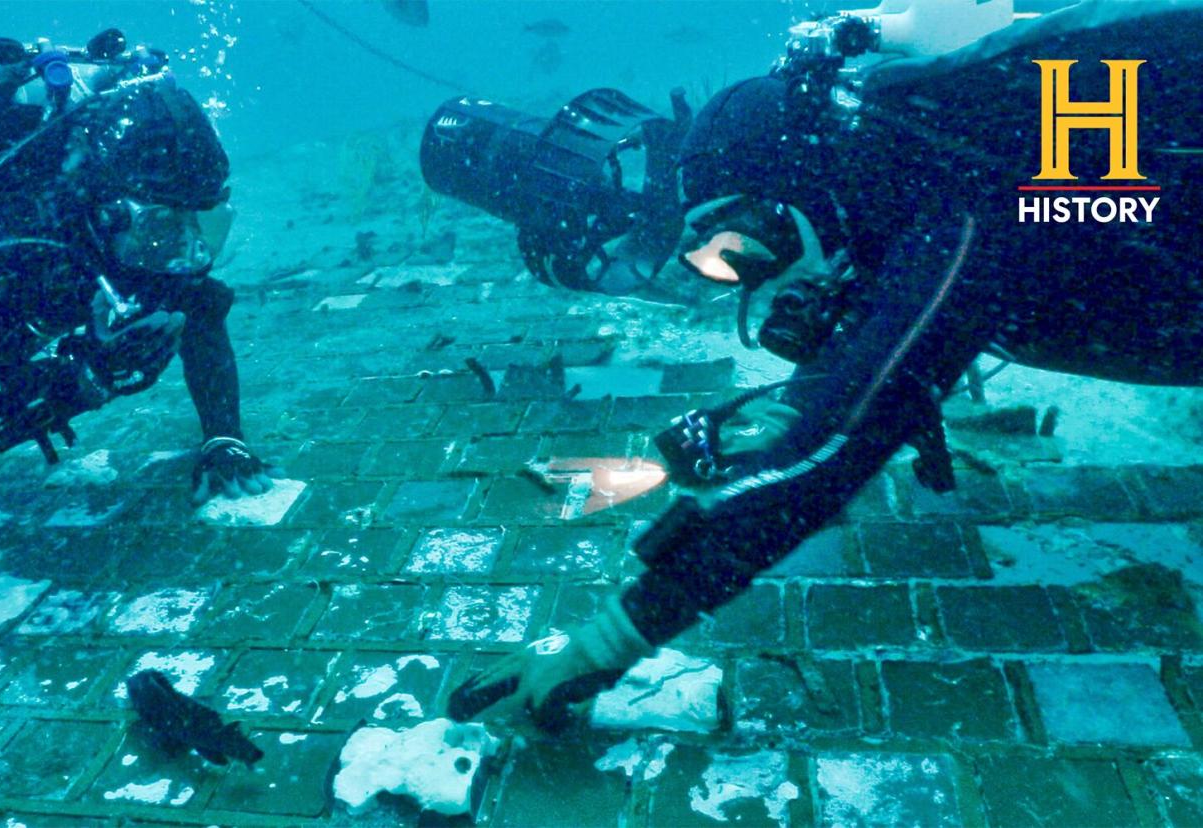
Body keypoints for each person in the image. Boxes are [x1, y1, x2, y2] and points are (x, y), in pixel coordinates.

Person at [447, 0, 1203, 729]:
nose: (753, 276)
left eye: (742, 246)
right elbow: (846, 377)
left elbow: (831, 453)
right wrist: (773, 423)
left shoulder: (959, 211)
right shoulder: (903, 185)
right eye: (722, 264)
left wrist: (608, 641)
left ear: (798, 188)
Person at [0, 34, 277, 504]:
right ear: (110, 211)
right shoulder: (2, 250)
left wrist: (224, 438)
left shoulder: (125, 226)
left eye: (204, 224)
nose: (187, 250)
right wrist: (86, 382)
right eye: (164, 227)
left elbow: (200, 310)